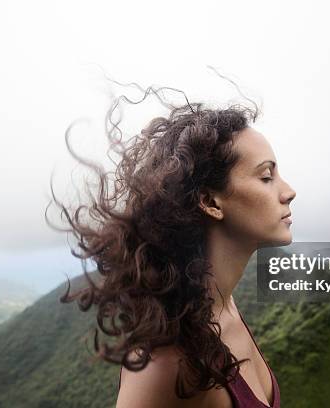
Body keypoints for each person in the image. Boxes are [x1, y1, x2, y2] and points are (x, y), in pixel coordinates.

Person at [50, 87, 296, 407]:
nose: (288, 191)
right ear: (210, 201)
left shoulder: (223, 307)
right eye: (266, 177)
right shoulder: (166, 362)